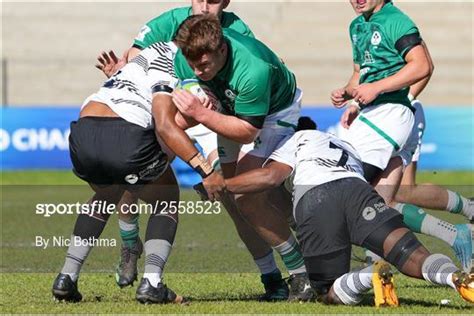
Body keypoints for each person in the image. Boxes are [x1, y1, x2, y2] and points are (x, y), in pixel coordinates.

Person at [95, 1, 296, 300]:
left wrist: (209, 114)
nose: (204, 5)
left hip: (218, 115)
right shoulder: (168, 22)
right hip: (175, 114)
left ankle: (270, 275)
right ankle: (129, 242)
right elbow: (137, 59)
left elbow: (247, 90)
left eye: (212, 0)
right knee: (134, 165)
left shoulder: (237, 30)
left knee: (232, 197)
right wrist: (121, 75)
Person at [211, 127, 474, 305]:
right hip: (357, 190)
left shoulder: (292, 140)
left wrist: (224, 185)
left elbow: (272, 177)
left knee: (326, 291)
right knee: (411, 254)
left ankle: (368, 275)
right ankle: (455, 278)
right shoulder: (343, 143)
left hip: (316, 198)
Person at [52, 40, 225, 304]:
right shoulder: (172, 63)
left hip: (83, 133)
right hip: (124, 134)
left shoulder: (139, 60)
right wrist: (205, 170)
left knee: (106, 196)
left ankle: (67, 277)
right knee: (166, 198)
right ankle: (151, 283)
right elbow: (168, 127)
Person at [172, 14, 314, 301]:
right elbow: (177, 120)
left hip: (274, 112)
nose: (197, 71)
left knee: (246, 196)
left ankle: (303, 274)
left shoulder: (253, 69)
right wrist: (195, 107)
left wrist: (201, 113)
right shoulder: (186, 54)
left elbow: (247, 131)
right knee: (238, 196)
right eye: (192, 65)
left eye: (203, 66)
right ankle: (299, 246)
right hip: (229, 109)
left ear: (222, 49)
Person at [331, 0, 472, 272]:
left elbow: (423, 66)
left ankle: (368, 264)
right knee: (381, 202)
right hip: (375, 113)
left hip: (392, 114)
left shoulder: (397, 21)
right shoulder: (357, 26)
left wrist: (395, 95)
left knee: (354, 191)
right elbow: (361, 74)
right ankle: (454, 237)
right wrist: (350, 96)